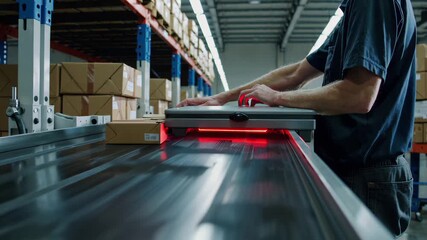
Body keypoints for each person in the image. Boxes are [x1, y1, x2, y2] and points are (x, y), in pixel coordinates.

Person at [178, 0, 417, 237]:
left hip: (368, 176)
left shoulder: (372, 4)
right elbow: (296, 73)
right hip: (354, 169)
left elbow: (359, 94)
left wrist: (278, 98)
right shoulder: (356, 10)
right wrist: (223, 98)